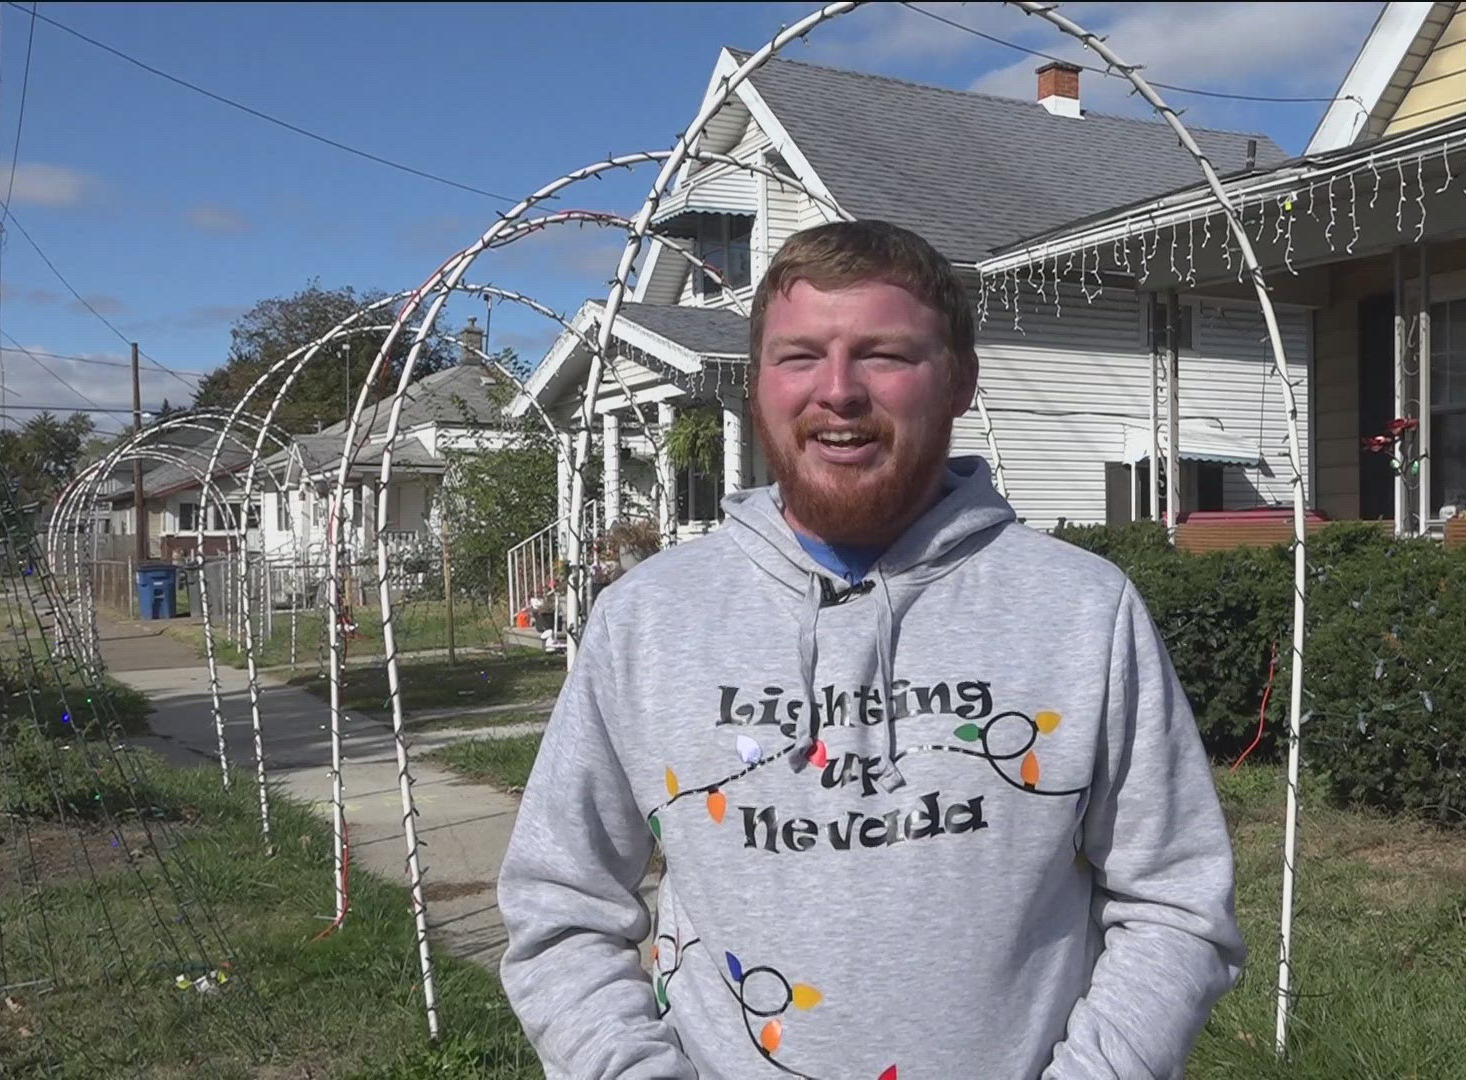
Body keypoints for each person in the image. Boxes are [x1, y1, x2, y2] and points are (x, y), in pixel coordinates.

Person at [497, 220, 1245, 1079]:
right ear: (758, 386)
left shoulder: (1083, 611)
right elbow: (561, 905)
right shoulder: (646, 621)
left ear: (959, 381)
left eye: (884, 354)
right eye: (799, 356)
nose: (839, 390)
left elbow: (1175, 903)